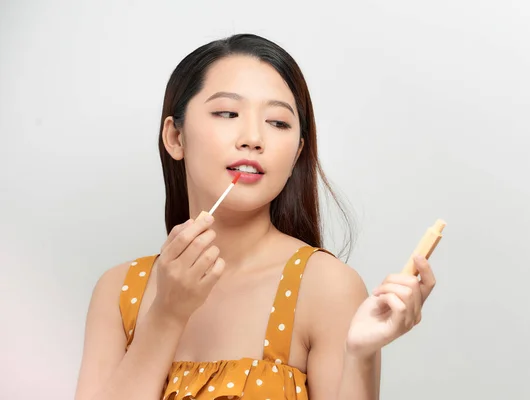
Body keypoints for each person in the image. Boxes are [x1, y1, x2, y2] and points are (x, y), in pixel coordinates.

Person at [74, 33, 436, 400]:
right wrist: (166, 314)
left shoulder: (327, 287)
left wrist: (361, 356)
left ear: (296, 153)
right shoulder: (118, 291)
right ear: (175, 137)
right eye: (227, 113)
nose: (253, 138)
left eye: (277, 122)